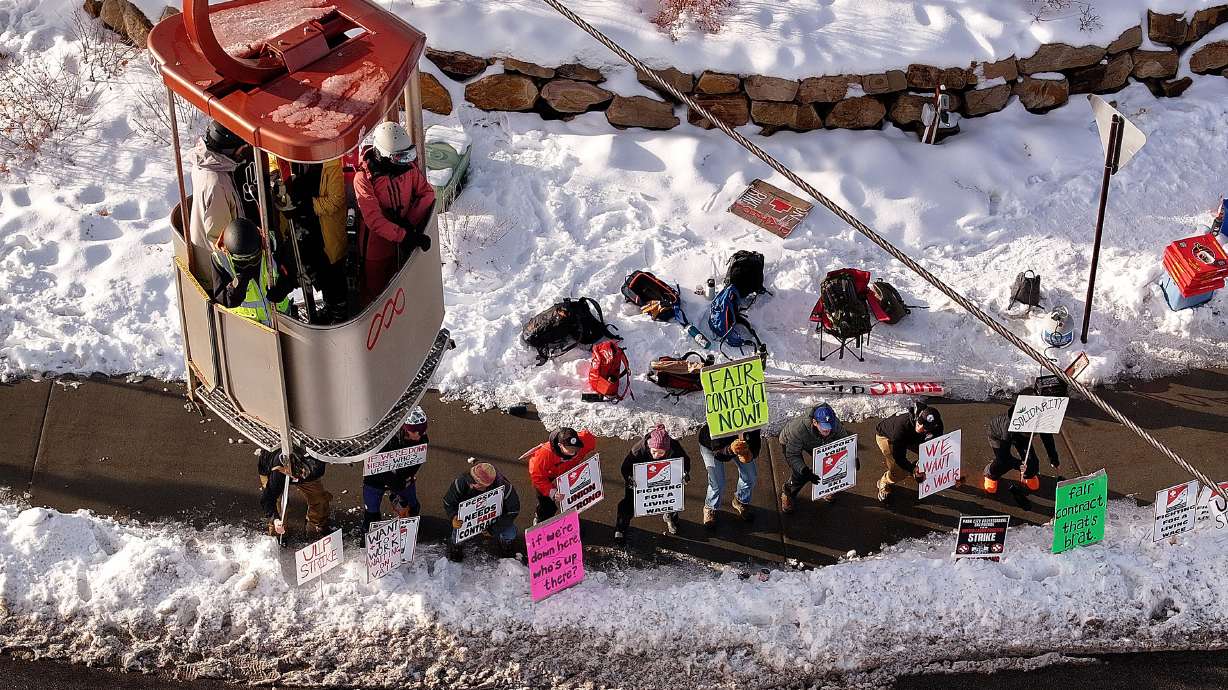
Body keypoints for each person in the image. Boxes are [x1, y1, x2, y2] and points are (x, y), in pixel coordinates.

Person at [353, 121, 435, 306]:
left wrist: (409, 223)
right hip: (377, 247)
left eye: (408, 155)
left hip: (405, 240)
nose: (405, 161)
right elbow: (374, 220)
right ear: (383, 155)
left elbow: (427, 193)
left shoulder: (407, 169)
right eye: (399, 158)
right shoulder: (363, 178)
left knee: (403, 288)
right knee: (376, 294)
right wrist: (404, 235)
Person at [269, 156, 349, 323]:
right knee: (315, 270)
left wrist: (306, 205)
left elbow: (335, 200)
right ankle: (328, 308)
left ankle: (339, 313)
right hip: (306, 229)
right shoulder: (289, 160)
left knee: (333, 274)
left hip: (327, 232)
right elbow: (274, 162)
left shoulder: (331, 164)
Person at [188, 121, 250, 283]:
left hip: (206, 255)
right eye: (241, 148)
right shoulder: (217, 184)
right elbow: (220, 239)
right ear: (228, 149)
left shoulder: (204, 163)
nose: (243, 151)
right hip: (217, 274)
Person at [209, 218, 295, 326]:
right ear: (229, 253)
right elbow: (222, 298)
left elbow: (293, 269)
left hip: (283, 322)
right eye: (243, 262)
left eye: (254, 259)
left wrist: (285, 285)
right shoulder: (221, 260)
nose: (250, 265)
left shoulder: (271, 244)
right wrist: (238, 286)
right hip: (251, 329)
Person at [616, 424, 691, 543]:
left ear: (667, 450)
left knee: (673, 498)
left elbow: (685, 462)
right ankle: (621, 527)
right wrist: (629, 478)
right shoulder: (638, 450)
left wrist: (685, 473)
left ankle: (670, 517)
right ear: (649, 446)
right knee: (628, 503)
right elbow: (625, 467)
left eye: (661, 453)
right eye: (654, 452)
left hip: (666, 478)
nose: (656, 456)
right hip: (638, 481)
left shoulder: (674, 447)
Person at [984, 389, 1060, 507]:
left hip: (1021, 437)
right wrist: (1019, 465)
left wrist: (1053, 457)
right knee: (1002, 463)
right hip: (998, 436)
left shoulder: (1039, 420)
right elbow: (1004, 456)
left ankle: (1028, 476)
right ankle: (990, 474)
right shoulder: (1007, 426)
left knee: (1033, 463)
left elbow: (1047, 437)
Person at [362, 407, 429, 536]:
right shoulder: (385, 438)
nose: (420, 434)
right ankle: (369, 539)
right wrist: (395, 484)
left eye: (423, 430)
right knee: (371, 514)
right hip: (375, 478)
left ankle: (409, 531)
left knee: (413, 507)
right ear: (406, 429)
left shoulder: (422, 439)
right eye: (416, 431)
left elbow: (415, 464)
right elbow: (375, 465)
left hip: (403, 477)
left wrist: (401, 485)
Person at [778, 403, 851, 513]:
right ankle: (788, 492)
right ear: (815, 422)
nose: (828, 430)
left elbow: (844, 439)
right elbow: (793, 455)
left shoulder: (834, 423)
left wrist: (852, 457)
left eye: (830, 426)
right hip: (790, 442)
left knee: (830, 463)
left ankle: (826, 488)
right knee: (799, 474)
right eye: (825, 427)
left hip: (817, 441)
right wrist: (805, 471)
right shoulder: (798, 430)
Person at [443, 462, 520, 562]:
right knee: (457, 532)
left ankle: (506, 544)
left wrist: (494, 529)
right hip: (467, 520)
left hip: (495, 519)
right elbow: (448, 502)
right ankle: (456, 547)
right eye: (471, 479)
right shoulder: (460, 483)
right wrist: (453, 516)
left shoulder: (507, 489)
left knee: (510, 532)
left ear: (488, 485)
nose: (471, 485)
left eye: (477, 484)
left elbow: (513, 511)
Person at [875, 403, 944, 504]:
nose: (920, 428)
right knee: (899, 472)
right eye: (919, 423)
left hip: (911, 438)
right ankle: (884, 482)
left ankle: (915, 466)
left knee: (931, 456)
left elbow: (934, 446)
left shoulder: (937, 427)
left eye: (925, 428)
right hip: (888, 437)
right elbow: (899, 457)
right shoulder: (902, 426)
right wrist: (912, 469)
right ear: (917, 417)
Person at [528, 427, 597, 524]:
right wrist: (551, 492)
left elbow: (591, 436)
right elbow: (537, 477)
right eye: (569, 449)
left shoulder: (584, 441)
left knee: (573, 499)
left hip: (568, 474)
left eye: (576, 448)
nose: (574, 452)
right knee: (547, 504)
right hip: (548, 474)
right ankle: (541, 519)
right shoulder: (544, 455)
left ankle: (571, 520)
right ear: (560, 445)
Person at [257, 448, 332, 537]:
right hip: (273, 471)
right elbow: (267, 499)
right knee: (278, 506)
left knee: (320, 500)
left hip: (309, 477)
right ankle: (278, 533)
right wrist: (275, 520)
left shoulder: (317, 468)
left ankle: (316, 525)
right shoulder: (277, 472)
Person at [698, 424, 760, 527]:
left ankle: (740, 500)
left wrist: (750, 454)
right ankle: (710, 506)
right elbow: (718, 452)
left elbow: (755, 440)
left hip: (740, 444)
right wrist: (730, 450)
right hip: (711, 446)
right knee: (717, 483)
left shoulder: (750, 421)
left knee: (750, 476)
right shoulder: (715, 422)